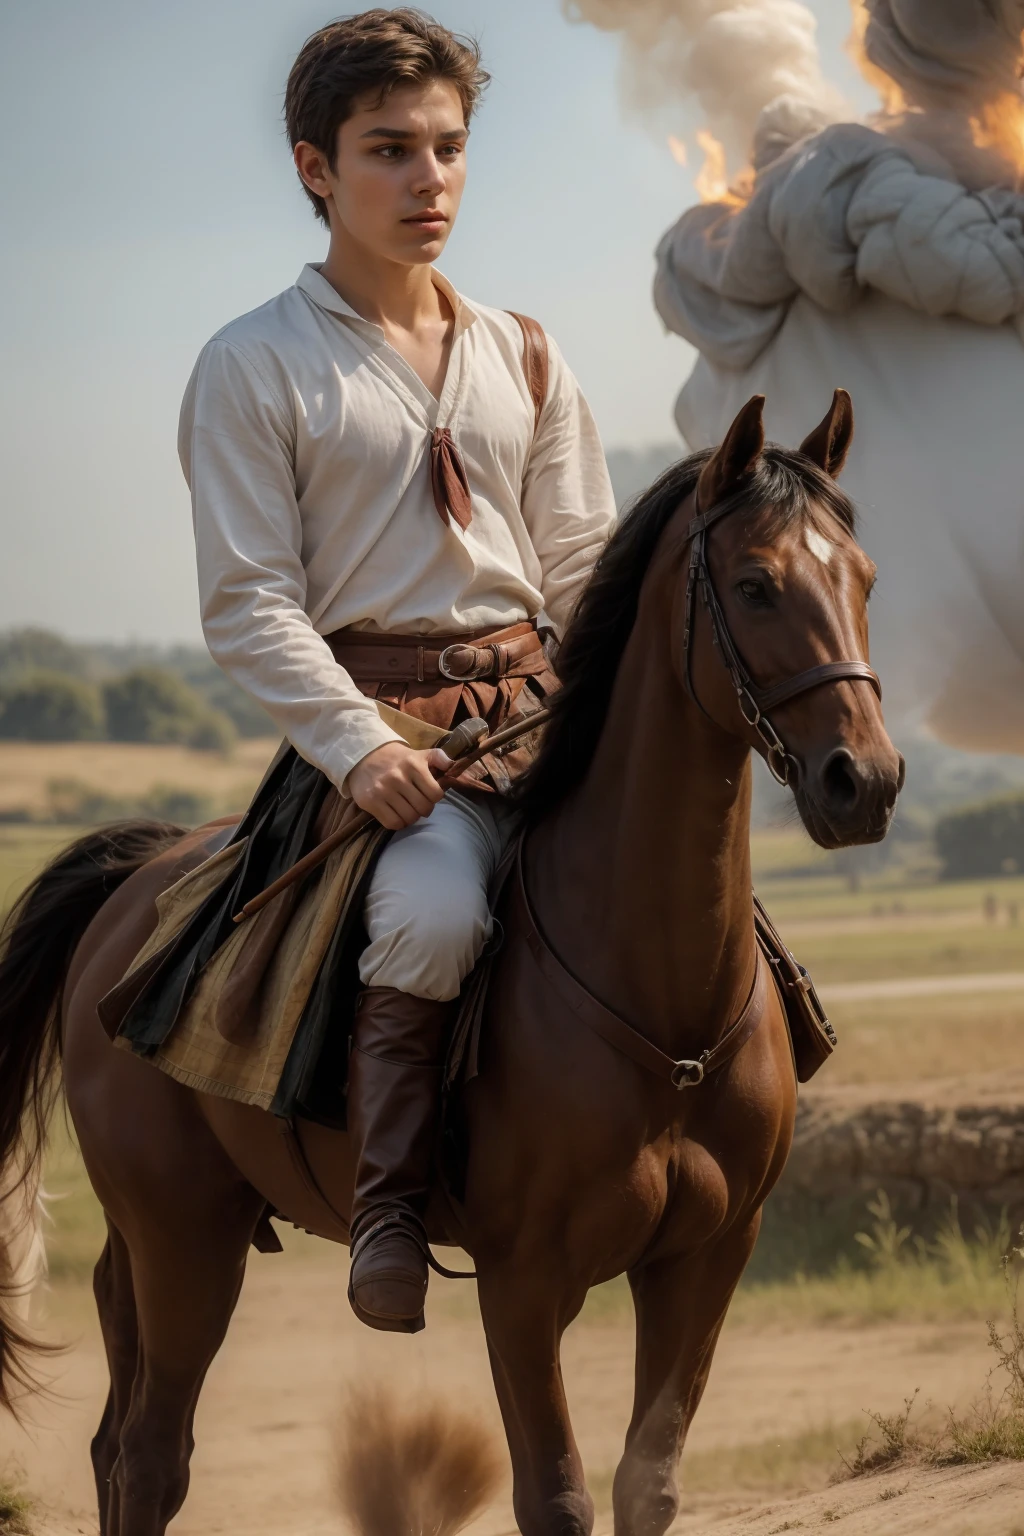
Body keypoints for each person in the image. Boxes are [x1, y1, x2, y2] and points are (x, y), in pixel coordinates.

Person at [178, 8, 616, 1333]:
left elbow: (586, 565)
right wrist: (361, 750)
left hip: (542, 713)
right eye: (390, 152)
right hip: (382, 730)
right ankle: (387, 1205)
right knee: (431, 916)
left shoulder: (527, 352)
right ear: (317, 167)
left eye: (447, 149)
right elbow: (250, 599)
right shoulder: (253, 363)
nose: (429, 182)